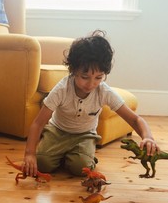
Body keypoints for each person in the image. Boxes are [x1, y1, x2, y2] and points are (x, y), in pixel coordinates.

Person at [22, 30, 159, 177]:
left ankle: (79, 156)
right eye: (85, 77)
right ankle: (65, 155)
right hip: (57, 131)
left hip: (84, 135)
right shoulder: (62, 89)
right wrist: (29, 154)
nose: (91, 83)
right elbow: (38, 123)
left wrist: (148, 137)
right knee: (42, 164)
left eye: (98, 77)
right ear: (73, 70)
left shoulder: (103, 92)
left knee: (80, 168)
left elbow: (135, 119)